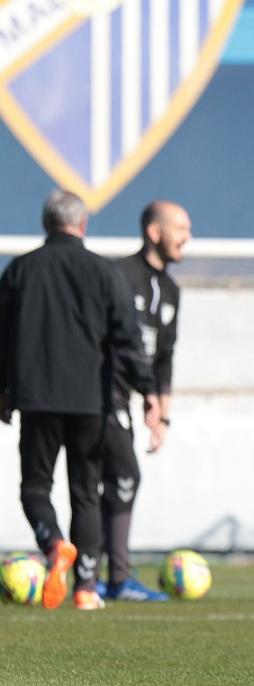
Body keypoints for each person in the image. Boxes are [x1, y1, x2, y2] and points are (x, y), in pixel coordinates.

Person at [0, 190, 161, 610]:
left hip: (36, 399)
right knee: (86, 492)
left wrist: (2, 390)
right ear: (83, 224)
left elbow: (1, 338)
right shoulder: (104, 273)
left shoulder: (20, 270)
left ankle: (54, 544)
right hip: (92, 401)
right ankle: (87, 587)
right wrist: (149, 393)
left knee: (35, 486)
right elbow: (128, 340)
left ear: (45, 223)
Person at [97, 200, 191, 602]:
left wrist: (161, 418)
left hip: (132, 397)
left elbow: (164, 358)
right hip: (102, 391)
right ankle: (115, 577)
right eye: (181, 228)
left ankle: (94, 573)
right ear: (155, 232)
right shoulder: (120, 275)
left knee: (109, 481)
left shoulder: (171, 289)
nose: (188, 237)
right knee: (124, 475)